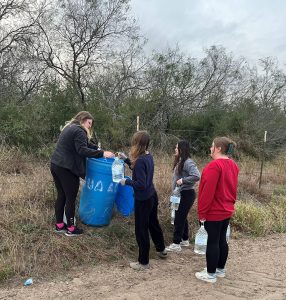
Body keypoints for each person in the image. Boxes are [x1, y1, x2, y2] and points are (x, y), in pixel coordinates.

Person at [50, 111, 114, 236]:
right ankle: (71, 229)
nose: (90, 126)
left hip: (55, 165)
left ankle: (59, 225)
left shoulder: (70, 127)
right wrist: (102, 154)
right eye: (89, 123)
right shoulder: (79, 130)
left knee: (61, 195)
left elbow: (85, 144)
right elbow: (82, 150)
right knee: (70, 198)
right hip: (66, 168)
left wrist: (98, 148)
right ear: (83, 119)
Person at [119, 131, 167, 270]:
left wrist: (126, 182)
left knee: (141, 229)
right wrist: (126, 159)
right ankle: (161, 249)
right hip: (152, 195)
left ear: (137, 144)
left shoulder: (140, 161)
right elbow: (139, 169)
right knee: (153, 223)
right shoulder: (148, 156)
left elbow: (141, 184)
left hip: (143, 199)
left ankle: (143, 262)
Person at [195, 137, 239, 283]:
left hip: (214, 211)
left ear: (218, 148)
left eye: (212, 146)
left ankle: (210, 274)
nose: (210, 148)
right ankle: (220, 270)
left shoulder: (214, 166)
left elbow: (207, 193)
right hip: (227, 209)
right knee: (221, 240)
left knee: (213, 241)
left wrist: (202, 213)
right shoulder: (233, 165)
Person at [166, 140, 201, 252]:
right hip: (179, 194)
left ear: (181, 149)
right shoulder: (180, 161)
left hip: (187, 194)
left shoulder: (188, 162)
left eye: (176, 147)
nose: (175, 149)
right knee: (181, 216)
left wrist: (183, 180)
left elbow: (196, 175)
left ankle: (176, 243)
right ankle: (184, 239)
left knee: (179, 218)